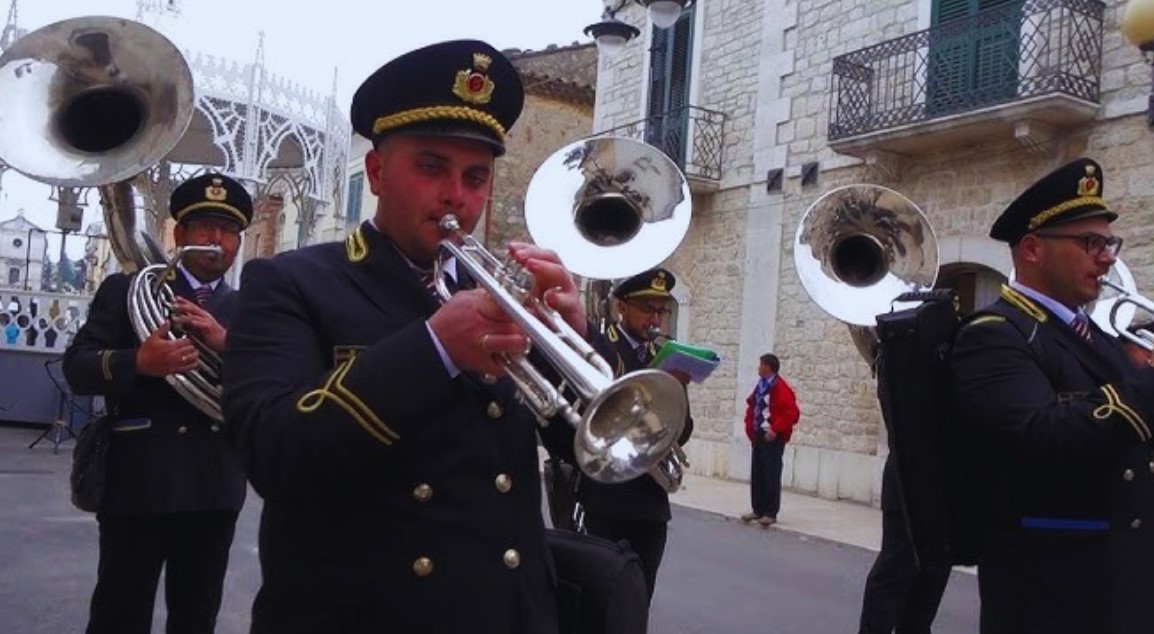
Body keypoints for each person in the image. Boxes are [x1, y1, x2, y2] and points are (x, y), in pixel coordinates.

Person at [221, 40, 588, 634]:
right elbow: (273, 454)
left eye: (475, 177)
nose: (456, 196)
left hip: (509, 612)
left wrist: (570, 342)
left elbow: (585, 453)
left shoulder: (503, 294)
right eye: (431, 167)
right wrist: (434, 348)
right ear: (376, 173)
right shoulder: (289, 283)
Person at [949, 157, 1154, 634]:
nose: (1107, 258)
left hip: (1121, 581)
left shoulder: (1093, 334)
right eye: (1091, 243)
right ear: (1033, 249)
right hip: (1054, 594)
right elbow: (1040, 434)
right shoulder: (994, 334)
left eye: (1109, 244)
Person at [62, 172, 252, 634]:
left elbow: (273, 386)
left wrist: (227, 344)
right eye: (205, 226)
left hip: (212, 485)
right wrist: (138, 362)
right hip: (138, 481)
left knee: (196, 618)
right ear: (180, 234)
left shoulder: (252, 311)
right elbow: (77, 367)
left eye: (228, 230)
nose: (216, 239)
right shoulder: (127, 289)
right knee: (118, 615)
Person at [572, 267, 694, 604]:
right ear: (621, 307)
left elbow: (681, 432)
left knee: (640, 598)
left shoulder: (665, 357)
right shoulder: (599, 349)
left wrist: (679, 391)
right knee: (598, 600)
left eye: (661, 310)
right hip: (606, 499)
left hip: (650, 504)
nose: (655, 319)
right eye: (647, 309)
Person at [740, 353, 799, 527]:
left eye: (761, 364)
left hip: (772, 437)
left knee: (771, 474)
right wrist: (750, 427)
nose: (758, 367)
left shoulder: (780, 387)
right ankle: (757, 509)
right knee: (757, 473)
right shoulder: (761, 385)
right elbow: (753, 405)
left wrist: (775, 429)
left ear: (768, 367)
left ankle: (770, 512)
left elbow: (791, 413)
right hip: (759, 435)